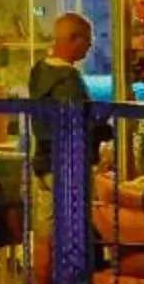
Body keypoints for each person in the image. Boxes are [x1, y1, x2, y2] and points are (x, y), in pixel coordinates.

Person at [25, 12, 98, 179]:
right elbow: (79, 123)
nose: (89, 46)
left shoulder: (38, 72)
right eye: (88, 40)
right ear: (76, 40)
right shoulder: (69, 81)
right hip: (68, 166)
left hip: (42, 164)